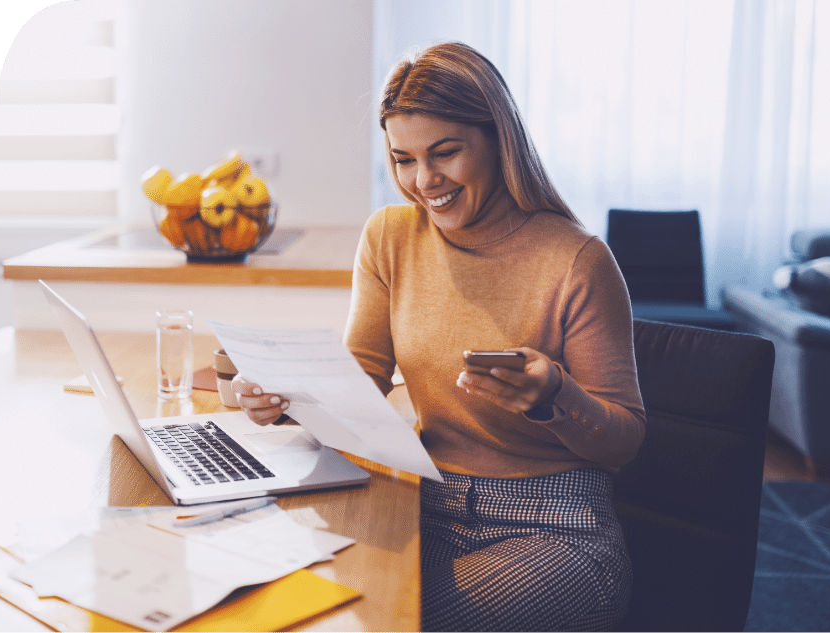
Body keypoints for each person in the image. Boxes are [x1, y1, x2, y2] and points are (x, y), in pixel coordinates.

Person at [232, 41, 646, 632]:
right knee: (285, 595)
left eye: (445, 153)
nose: (425, 181)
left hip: (557, 529)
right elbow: (359, 382)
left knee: (377, 620)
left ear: (498, 138)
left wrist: (555, 397)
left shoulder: (577, 260)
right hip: (424, 501)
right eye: (403, 159)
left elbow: (626, 441)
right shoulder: (391, 237)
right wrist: (285, 400)